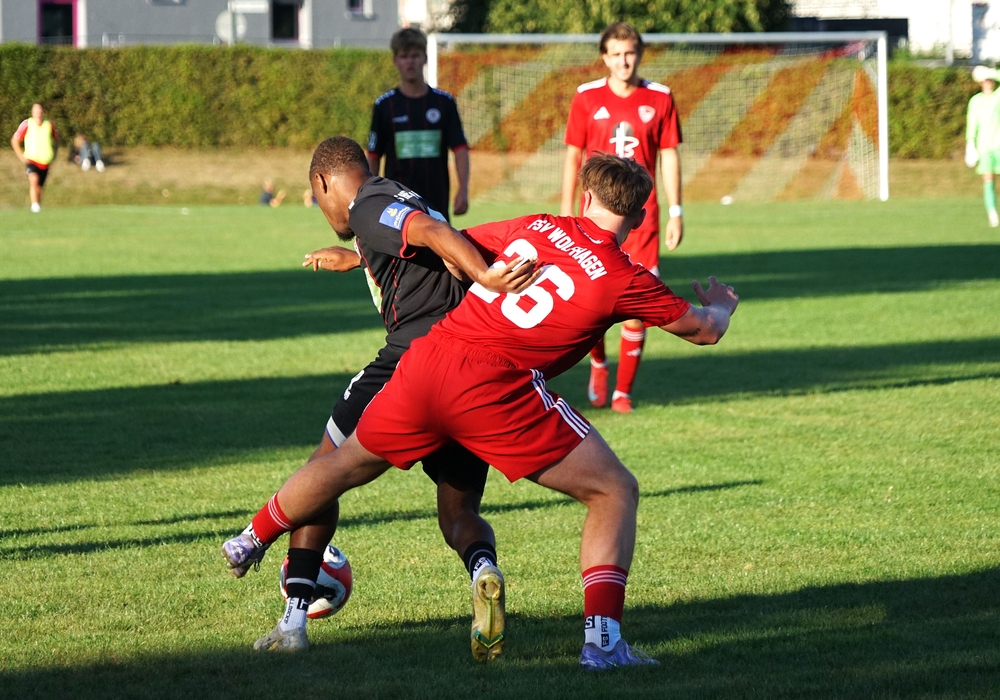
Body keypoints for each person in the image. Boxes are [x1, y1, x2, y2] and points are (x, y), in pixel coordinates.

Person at [223, 149, 739, 670]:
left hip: (429, 360)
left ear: (585, 197)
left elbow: (455, 249)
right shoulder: (623, 277)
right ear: (640, 215)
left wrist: (365, 257)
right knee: (612, 490)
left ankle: (251, 538)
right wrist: (721, 303)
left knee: (342, 463)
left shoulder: (539, 226)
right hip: (497, 388)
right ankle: (603, 643)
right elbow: (704, 330)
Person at [224, 136, 538, 659]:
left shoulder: (366, 204)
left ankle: (284, 605)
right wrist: (359, 259)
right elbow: (425, 243)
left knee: (323, 472)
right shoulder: (399, 195)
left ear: (323, 182)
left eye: (316, 199)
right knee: (458, 510)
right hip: (468, 368)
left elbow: (430, 233)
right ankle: (483, 568)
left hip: (411, 360)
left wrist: (486, 275)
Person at [560, 22, 684, 414]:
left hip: (642, 220)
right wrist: (566, 207)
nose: (623, 61)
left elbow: (670, 156)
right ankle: (598, 362)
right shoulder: (586, 97)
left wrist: (677, 211)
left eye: (629, 53)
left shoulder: (660, 97)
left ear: (640, 54)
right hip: (594, 216)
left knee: (637, 306)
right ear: (604, 57)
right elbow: (573, 155)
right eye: (615, 54)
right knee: (590, 298)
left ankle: (623, 393)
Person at [367, 27, 470, 221]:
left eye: (415, 55)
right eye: (404, 56)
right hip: (396, 204)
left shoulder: (444, 103)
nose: (410, 62)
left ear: (425, 58)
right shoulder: (385, 105)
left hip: (436, 201)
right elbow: (373, 155)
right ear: (395, 60)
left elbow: (460, 149)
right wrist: (370, 196)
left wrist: (463, 190)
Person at [966, 65, 1000, 227]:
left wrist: (991, 72)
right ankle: (992, 212)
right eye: (985, 80)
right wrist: (970, 143)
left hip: (999, 145)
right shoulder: (976, 101)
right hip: (984, 147)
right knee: (988, 179)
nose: (988, 82)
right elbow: (972, 123)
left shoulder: (997, 96)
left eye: (990, 80)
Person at [10, 103, 59, 213]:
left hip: (45, 161)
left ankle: (37, 208)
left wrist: (55, 153)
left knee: (39, 187)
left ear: (43, 111)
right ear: (32, 112)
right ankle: (34, 205)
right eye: (36, 109)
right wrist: (21, 156)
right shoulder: (27, 124)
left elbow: (56, 139)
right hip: (31, 159)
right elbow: (15, 140)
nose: (38, 112)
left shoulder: (49, 124)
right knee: (34, 179)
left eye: (40, 109)